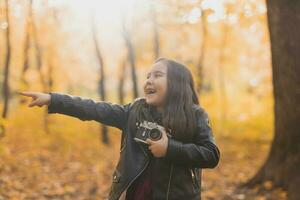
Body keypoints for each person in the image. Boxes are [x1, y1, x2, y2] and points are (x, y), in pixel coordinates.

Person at [18, 57, 220, 200]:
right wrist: (54, 99)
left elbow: (210, 155)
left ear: (177, 83)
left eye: (157, 75)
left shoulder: (196, 115)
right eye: (147, 76)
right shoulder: (134, 111)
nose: (148, 80)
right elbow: (94, 109)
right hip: (137, 194)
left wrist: (170, 149)